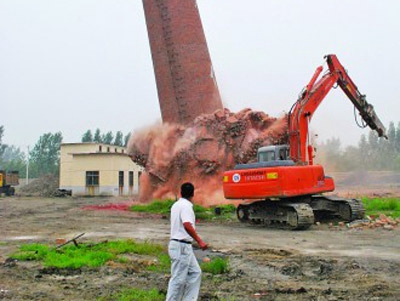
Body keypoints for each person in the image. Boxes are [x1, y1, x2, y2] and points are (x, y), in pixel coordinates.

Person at [166, 182, 208, 301]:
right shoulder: (186, 206)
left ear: (181, 192)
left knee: (195, 272)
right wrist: (200, 241)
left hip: (182, 246)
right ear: (192, 194)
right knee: (178, 279)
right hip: (181, 246)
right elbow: (187, 225)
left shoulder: (176, 205)